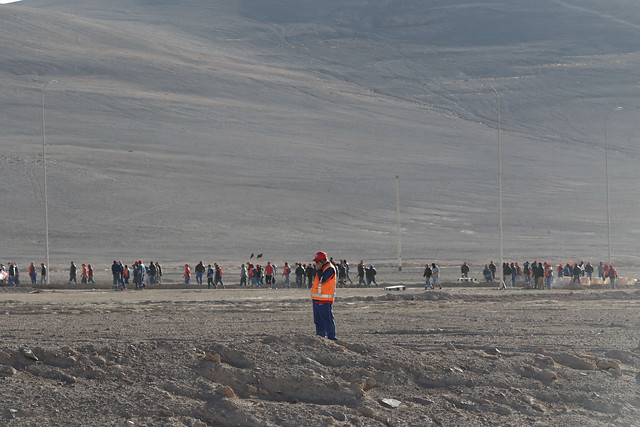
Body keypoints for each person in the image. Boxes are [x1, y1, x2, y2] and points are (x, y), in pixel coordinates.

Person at [310, 251, 337, 340]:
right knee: (318, 320)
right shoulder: (322, 268)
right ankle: (320, 337)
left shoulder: (329, 269)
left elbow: (322, 280)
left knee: (327, 320)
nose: (316, 263)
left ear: (323, 260)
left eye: (318, 261)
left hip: (325, 299)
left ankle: (331, 337)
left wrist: (318, 270)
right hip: (317, 298)